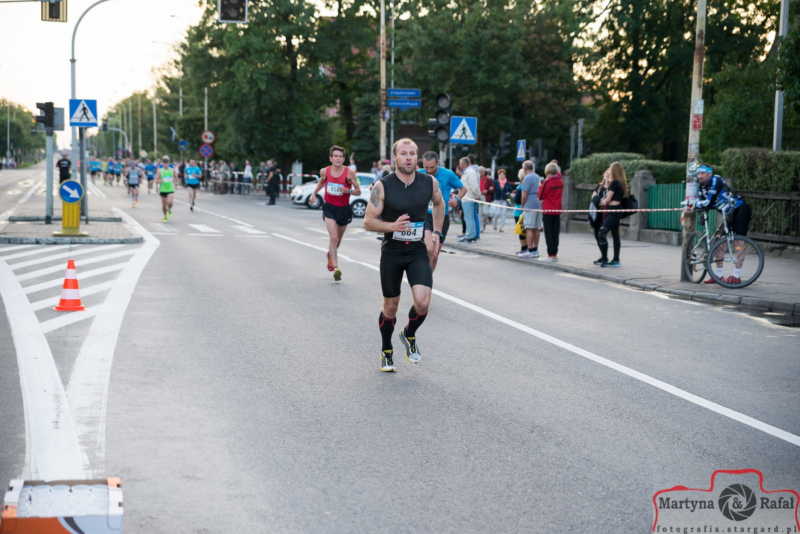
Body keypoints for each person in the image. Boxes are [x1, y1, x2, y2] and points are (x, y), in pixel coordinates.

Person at [364, 138, 445, 372]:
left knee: (423, 303)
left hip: (417, 250)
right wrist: (392, 226)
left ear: (416, 157)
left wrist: (437, 232)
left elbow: (439, 204)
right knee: (391, 306)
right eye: (404, 153)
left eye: (412, 153)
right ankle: (386, 350)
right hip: (392, 251)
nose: (408, 158)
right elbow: (368, 221)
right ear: (395, 157)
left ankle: (409, 334)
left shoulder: (429, 182)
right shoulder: (382, 186)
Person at [693, 164, 752, 284]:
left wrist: (694, 204)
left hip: (740, 209)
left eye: (702, 173)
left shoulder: (716, 180)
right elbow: (700, 202)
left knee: (739, 242)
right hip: (727, 213)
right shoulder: (700, 186)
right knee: (719, 242)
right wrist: (697, 205)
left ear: (709, 174)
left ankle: (736, 275)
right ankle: (718, 276)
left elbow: (708, 202)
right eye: (698, 173)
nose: (699, 176)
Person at [311, 146, 361, 281]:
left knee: (337, 240)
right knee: (333, 238)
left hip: (344, 209)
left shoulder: (349, 173)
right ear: (331, 158)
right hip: (329, 208)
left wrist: (347, 191)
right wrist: (314, 193)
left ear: (343, 159)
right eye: (335, 156)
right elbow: (321, 183)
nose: (338, 158)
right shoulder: (325, 171)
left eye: (340, 156)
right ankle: (336, 268)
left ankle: (330, 255)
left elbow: (358, 191)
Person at [420, 151, 463, 271]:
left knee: (435, 254)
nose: (428, 170)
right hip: (425, 216)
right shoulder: (419, 174)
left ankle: (428, 277)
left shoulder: (448, 174)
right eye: (426, 167)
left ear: (438, 163)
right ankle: (422, 275)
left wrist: (457, 199)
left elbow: (463, 189)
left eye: (432, 167)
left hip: (442, 217)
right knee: (428, 248)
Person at [596, 161, 628, 267]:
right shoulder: (621, 183)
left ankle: (605, 259)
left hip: (613, 211)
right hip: (616, 210)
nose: (609, 170)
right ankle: (616, 260)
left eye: (610, 168)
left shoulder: (614, 183)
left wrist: (600, 201)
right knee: (615, 235)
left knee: (602, 232)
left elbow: (607, 200)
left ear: (613, 170)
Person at [538, 160, 564, 262]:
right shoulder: (560, 181)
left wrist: (541, 185)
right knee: (555, 233)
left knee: (548, 233)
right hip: (557, 210)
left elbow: (540, 196)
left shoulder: (547, 182)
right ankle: (555, 254)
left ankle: (550, 255)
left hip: (548, 210)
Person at [519, 160, 543, 258]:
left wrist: (522, 205)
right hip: (538, 204)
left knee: (529, 228)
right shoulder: (538, 177)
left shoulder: (527, 178)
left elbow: (524, 194)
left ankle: (529, 250)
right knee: (537, 228)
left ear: (525, 168)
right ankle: (535, 249)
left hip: (529, 204)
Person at [458, 156, 481, 243]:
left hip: (468, 197)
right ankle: (474, 234)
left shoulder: (470, 172)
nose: (459, 165)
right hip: (469, 197)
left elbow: (474, 185)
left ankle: (470, 235)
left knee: (469, 218)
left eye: (460, 164)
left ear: (464, 164)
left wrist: (477, 195)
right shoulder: (468, 172)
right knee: (473, 217)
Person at [156, 156, 176, 222]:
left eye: (167, 162)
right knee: (164, 205)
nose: (165, 164)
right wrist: (160, 181)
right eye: (164, 162)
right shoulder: (160, 171)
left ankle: (169, 209)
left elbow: (176, 177)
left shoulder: (172, 170)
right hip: (163, 190)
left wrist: (176, 183)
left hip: (170, 189)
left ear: (168, 163)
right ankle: (165, 216)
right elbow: (156, 180)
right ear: (162, 163)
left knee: (170, 202)